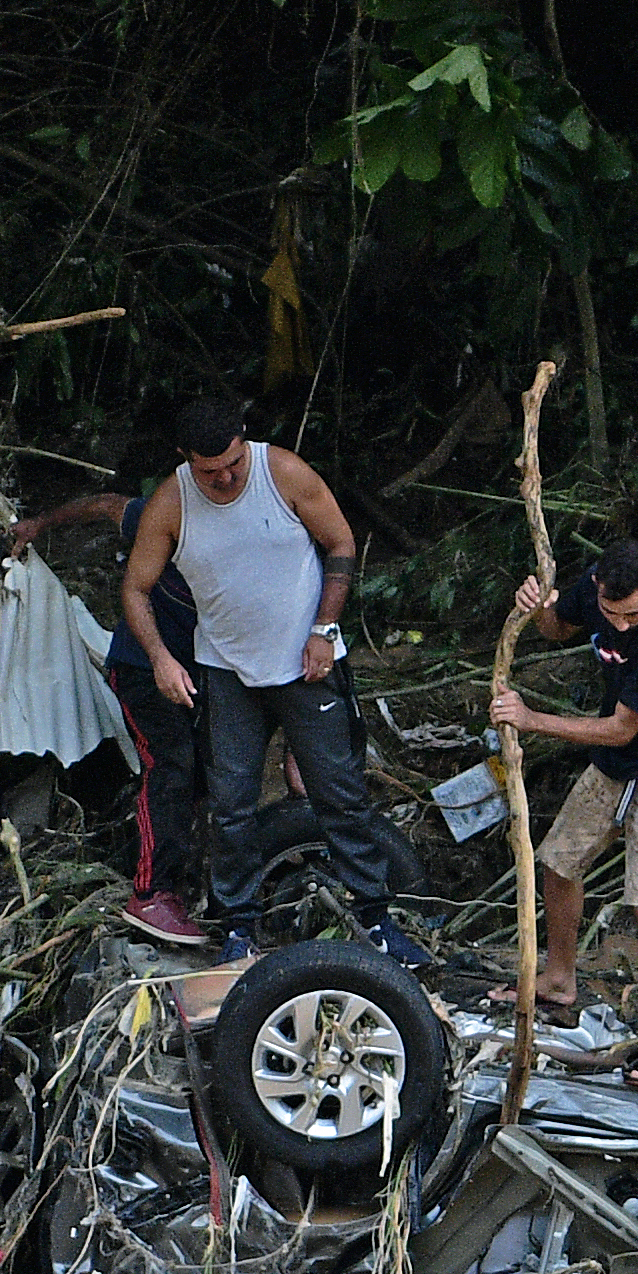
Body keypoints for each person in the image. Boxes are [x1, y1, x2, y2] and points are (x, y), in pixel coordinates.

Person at [120, 397, 431, 969]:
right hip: (226, 669)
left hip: (307, 661)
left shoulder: (282, 472)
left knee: (338, 791)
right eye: (209, 471)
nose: (226, 478)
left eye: (233, 463)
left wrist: (324, 627)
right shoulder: (171, 502)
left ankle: (375, 918)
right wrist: (163, 659)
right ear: (185, 460)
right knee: (232, 802)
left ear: (244, 441)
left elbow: (340, 545)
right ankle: (238, 923)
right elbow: (135, 589)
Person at [490, 539, 638, 1090]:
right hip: (614, 764)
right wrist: (538, 605)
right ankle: (559, 978)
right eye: (613, 614)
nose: (622, 625)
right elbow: (558, 629)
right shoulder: (596, 591)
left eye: (633, 613)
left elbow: (620, 726)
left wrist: (532, 718)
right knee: (558, 863)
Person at [10, 489, 205, 947]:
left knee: (204, 770)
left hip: (202, 673)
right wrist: (38, 525)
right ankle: (151, 893)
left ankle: (184, 874)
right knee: (169, 762)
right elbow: (102, 505)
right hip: (143, 667)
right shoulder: (166, 519)